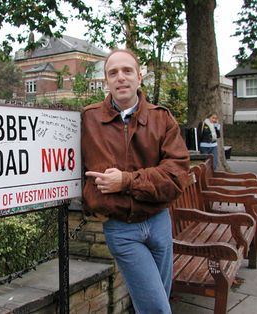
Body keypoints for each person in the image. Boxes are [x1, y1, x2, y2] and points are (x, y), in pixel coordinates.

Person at [81, 49, 190, 314]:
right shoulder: (88, 119)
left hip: (158, 222)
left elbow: (176, 175)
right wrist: (91, 205)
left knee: (157, 302)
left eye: (127, 71)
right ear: (106, 81)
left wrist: (126, 181)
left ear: (139, 77)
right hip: (122, 229)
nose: (121, 78)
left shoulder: (162, 118)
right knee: (157, 309)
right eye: (113, 73)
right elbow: (69, 170)